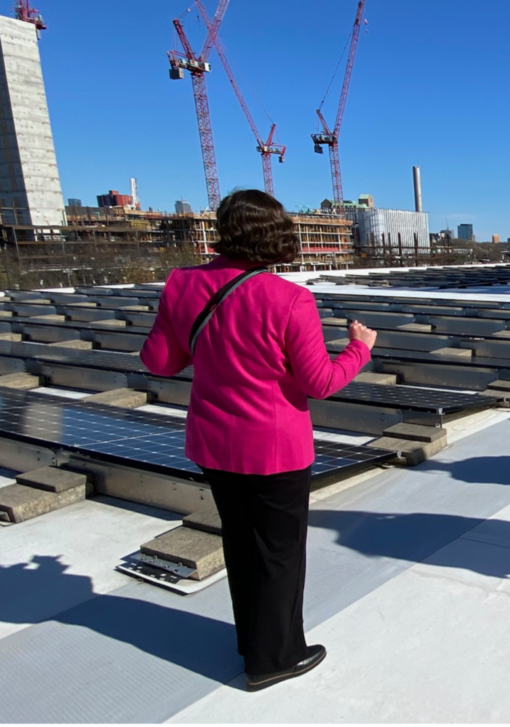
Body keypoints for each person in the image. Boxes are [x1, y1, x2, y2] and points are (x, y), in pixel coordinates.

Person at [140, 190, 378, 691]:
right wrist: (359, 349)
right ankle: (275, 657)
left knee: (241, 544)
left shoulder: (181, 283)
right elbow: (320, 382)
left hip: (213, 443)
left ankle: (251, 641)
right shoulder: (289, 298)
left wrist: (182, 323)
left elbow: (159, 362)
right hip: (275, 449)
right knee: (279, 552)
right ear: (276, 235)